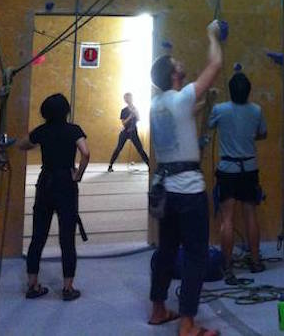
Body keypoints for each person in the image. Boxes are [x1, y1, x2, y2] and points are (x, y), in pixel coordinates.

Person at [148, 20, 223, 334]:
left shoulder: (157, 106)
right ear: (174, 75)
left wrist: (206, 103)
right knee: (195, 255)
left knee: (166, 250)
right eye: (177, 63)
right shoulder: (180, 99)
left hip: (165, 190)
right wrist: (211, 35)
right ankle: (188, 324)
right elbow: (215, 64)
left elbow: (185, 116)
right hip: (189, 191)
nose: (181, 64)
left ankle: (158, 309)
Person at [18, 92, 90, 301]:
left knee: (38, 236)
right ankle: (68, 288)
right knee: (67, 238)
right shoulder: (74, 130)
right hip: (66, 182)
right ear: (66, 110)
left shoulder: (42, 130)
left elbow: (23, 144)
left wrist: (37, 143)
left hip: (46, 182)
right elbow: (85, 153)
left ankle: (32, 285)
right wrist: (78, 175)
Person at [208, 72, 268, 282]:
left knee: (228, 218)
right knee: (251, 214)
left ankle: (227, 266)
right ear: (248, 92)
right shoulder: (256, 110)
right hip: (249, 168)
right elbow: (263, 133)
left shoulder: (220, 109)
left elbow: (209, 125)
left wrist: (210, 102)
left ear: (230, 91)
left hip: (228, 169)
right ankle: (256, 261)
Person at [107, 91, 150, 171]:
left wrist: (136, 113)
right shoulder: (124, 110)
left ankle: (150, 165)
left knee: (140, 149)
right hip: (125, 132)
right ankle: (110, 166)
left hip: (133, 131)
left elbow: (139, 119)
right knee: (119, 148)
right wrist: (130, 116)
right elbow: (124, 123)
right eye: (126, 98)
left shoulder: (135, 109)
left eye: (128, 98)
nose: (127, 100)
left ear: (131, 99)